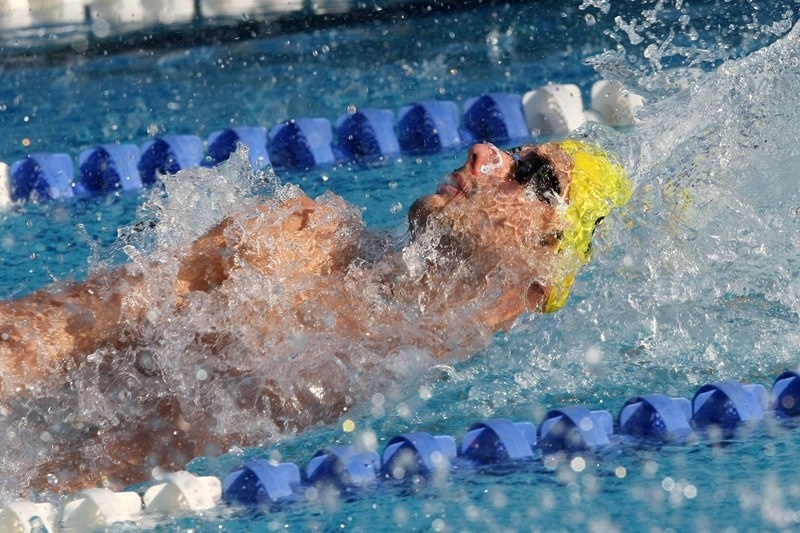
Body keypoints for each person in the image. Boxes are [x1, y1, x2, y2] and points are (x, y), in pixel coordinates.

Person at [0, 140, 632, 493]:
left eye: (528, 173)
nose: (483, 152)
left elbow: (128, 466)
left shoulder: (469, 392)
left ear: (547, 262)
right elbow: (63, 327)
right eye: (508, 149)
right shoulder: (299, 236)